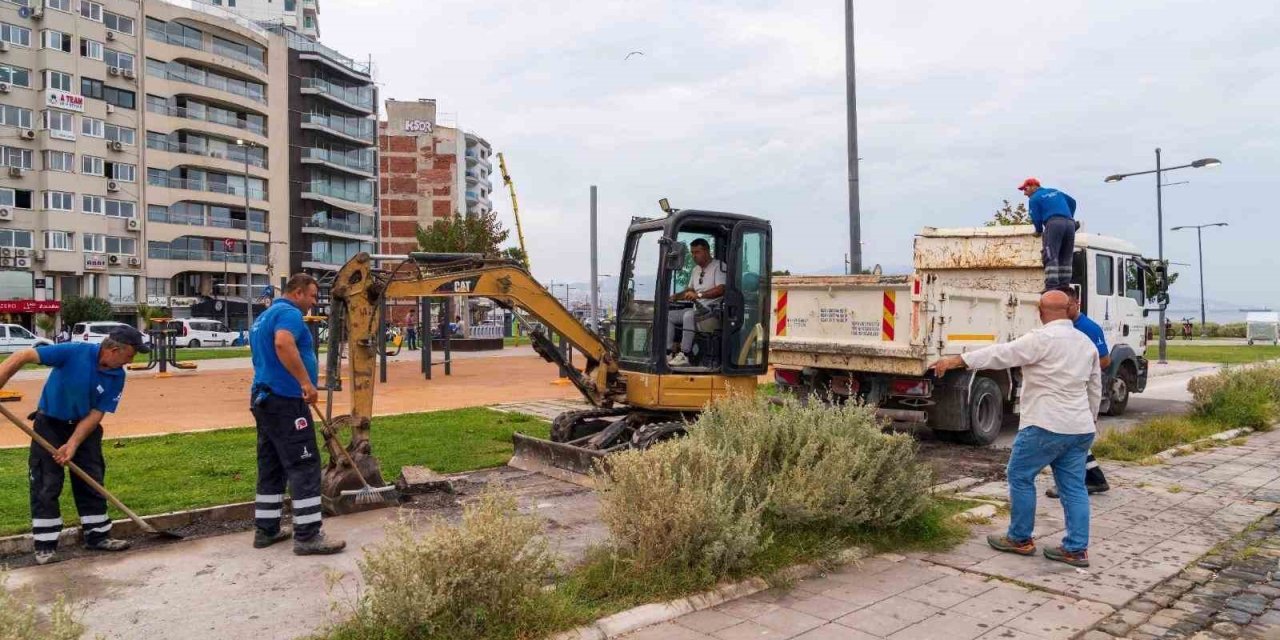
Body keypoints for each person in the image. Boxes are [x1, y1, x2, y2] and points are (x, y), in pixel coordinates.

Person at [929, 290, 1101, 567]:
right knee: (1074, 487)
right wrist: (1089, 421)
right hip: (1078, 427)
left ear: (1041, 312)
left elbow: (1000, 354)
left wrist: (956, 360)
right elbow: (1095, 387)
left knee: (1020, 476)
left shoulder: (1040, 339)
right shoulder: (1085, 343)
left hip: (1045, 424)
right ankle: (1076, 549)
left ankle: (1020, 538)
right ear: (1069, 310)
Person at [0, 327, 149, 565]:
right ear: (113, 350)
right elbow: (24, 355)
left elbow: (96, 412)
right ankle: (45, 545)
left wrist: (72, 444)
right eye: (130, 355)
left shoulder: (117, 375)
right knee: (46, 483)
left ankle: (98, 536)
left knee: (91, 478)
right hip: (49, 424)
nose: (132, 361)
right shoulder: (73, 352)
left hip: (84, 428)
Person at [249, 273, 345, 556]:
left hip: (264, 399)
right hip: (286, 401)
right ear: (299, 292)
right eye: (313, 296)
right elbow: (283, 343)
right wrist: (305, 381)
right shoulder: (289, 314)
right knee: (304, 465)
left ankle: (266, 529)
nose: (314, 303)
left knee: (272, 465)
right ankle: (308, 535)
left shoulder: (264, 316)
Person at [1046, 288, 1112, 498]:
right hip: (1066, 391)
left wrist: (1078, 372)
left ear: (1077, 304)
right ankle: (1095, 479)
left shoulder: (1088, 328)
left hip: (1079, 391)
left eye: (1068, 306)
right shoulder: (1061, 328)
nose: (1065, 310)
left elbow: (1104, 360)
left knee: (1064, 438)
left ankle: (1072, 483)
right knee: (1072, 441)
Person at [666, 238, 726, 367]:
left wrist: (699, 295)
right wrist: (676, 296)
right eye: (692, 252)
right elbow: (690, 290)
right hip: (697, 310)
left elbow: (721, 289)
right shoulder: (695, 270)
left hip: (712, 312)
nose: (694, 256)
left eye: (697, 252)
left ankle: (685, 355)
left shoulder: (719, 266)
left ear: (707, 251)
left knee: (689, 315)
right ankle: (668, 352)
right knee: (669, 316)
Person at [1020, 178, 1077, 290]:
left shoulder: (1034, 198)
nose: (1024, 193)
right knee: (1066, 256)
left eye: (1025, 189)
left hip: (1054, 223)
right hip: (1070, 224)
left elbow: (1035, 217)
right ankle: (1064, 285)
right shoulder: (1055, 191)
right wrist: (1069, 216)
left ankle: (1051, 285)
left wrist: (1039, 230)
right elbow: (1072, 202)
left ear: (1033, 186)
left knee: (1050, 254)